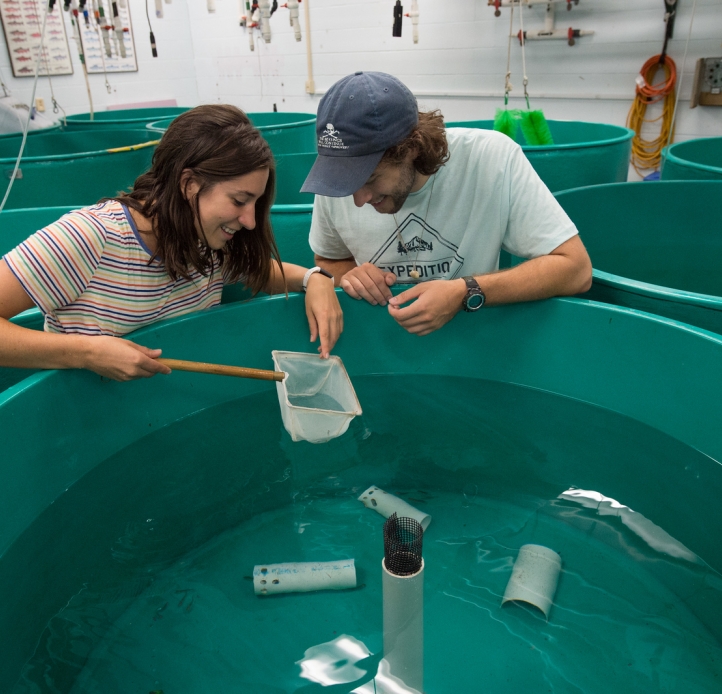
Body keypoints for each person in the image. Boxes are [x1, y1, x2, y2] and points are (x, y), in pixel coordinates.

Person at [0, 105, 342, 381]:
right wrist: (85, 353)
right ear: (189, 184)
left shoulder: (206, 241)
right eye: (239, 200)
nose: (250, 220)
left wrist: (313, 279)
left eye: (256, 202)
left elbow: (257, 272)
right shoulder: (90, 237)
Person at [301, 71, 593, 336]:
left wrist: (464, 291)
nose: (358, 198)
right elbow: (329, 260)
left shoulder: (491, 160)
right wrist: (348, 275)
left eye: (371, 178)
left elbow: (576, 270)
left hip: (472, 342)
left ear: (411, 149)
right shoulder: (336, 187)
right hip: (384, 343)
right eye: (344, 182)